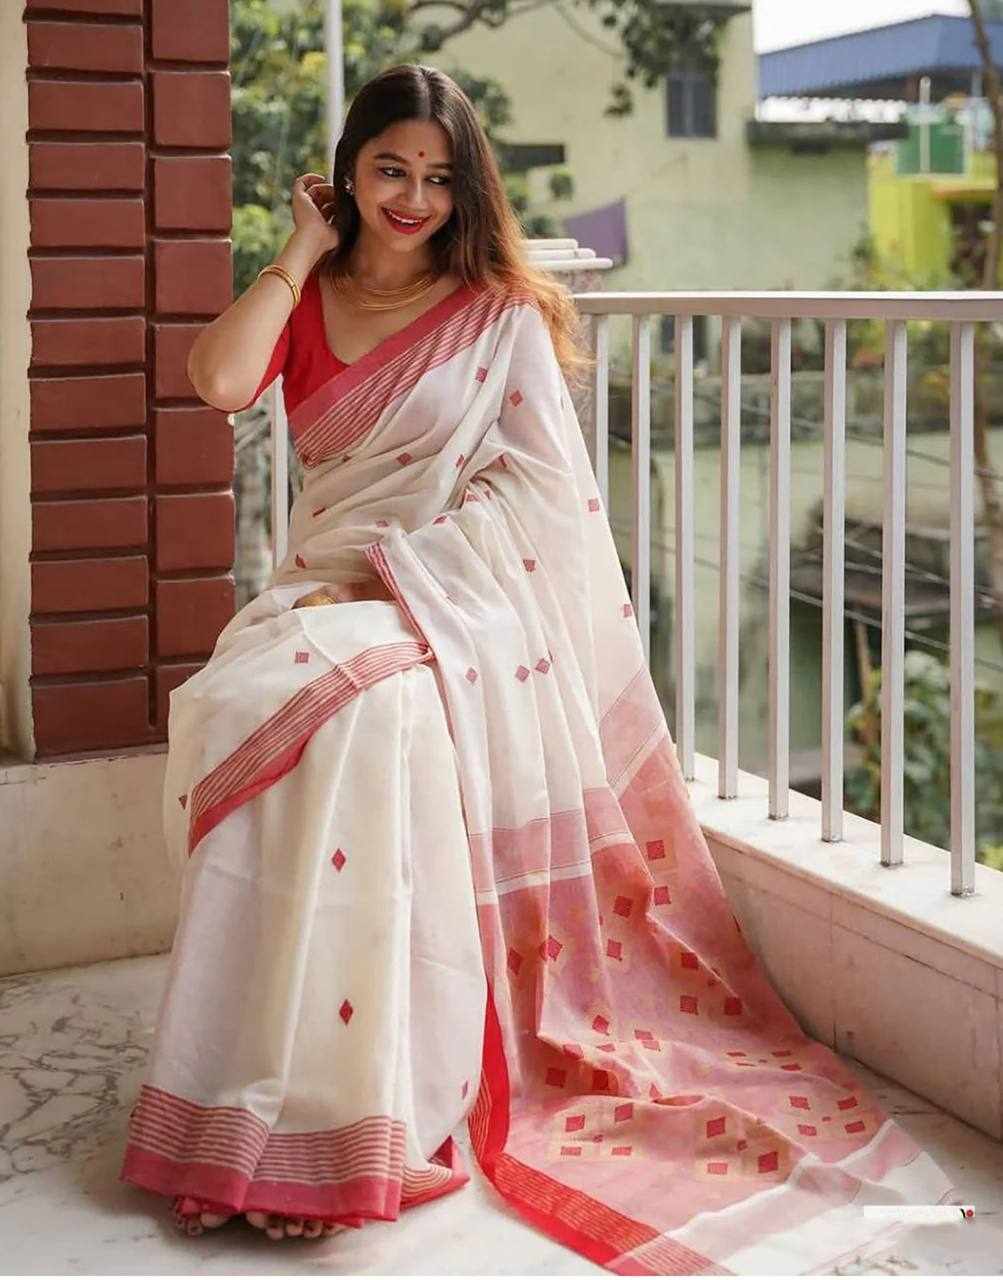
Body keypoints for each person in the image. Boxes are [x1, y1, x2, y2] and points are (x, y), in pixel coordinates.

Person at [119, 62, 957, 1270]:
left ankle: (368, 1116)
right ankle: (245, 1106)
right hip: (315, 597)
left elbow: (542, 501)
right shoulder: (308, 295)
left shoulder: (496, 315)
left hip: (436, 607)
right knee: (295, 700)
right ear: (348, 171)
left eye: (438, 177)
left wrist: (409, 582)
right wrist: (299, 249)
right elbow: (216, 382)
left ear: (467, 191)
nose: (412, 198)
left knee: (375, 716)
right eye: (389, 169)